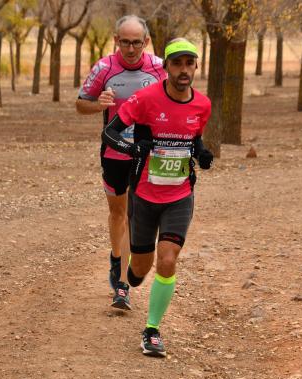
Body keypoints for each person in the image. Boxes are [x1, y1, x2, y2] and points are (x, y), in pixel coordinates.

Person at [102, 38, 214, 357]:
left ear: (195, 67)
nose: (183, 70)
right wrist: (131, 148)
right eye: (176, 63)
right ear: (166, 67)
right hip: (145, 196)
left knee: (167, 260)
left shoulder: (202, 105)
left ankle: (151, 330)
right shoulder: (145, 99)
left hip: (179, 196)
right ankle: (133, 277)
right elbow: (109, 132)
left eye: (188, 63)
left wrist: (202, 153)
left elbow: (195, 138)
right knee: (141, 268)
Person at [75, 15, 166, 310]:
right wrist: (98, 104)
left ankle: (123, 285)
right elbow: (80, 104)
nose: (130, 48)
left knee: (133, 214)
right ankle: (116, 257)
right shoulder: (104, 68)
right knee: (117, 211)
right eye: (124, 42)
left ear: (146, 42)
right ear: (116, 40)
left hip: (145, 154)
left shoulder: (159, 68)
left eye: (136, 42)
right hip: (113, 152)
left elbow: (173, 102)